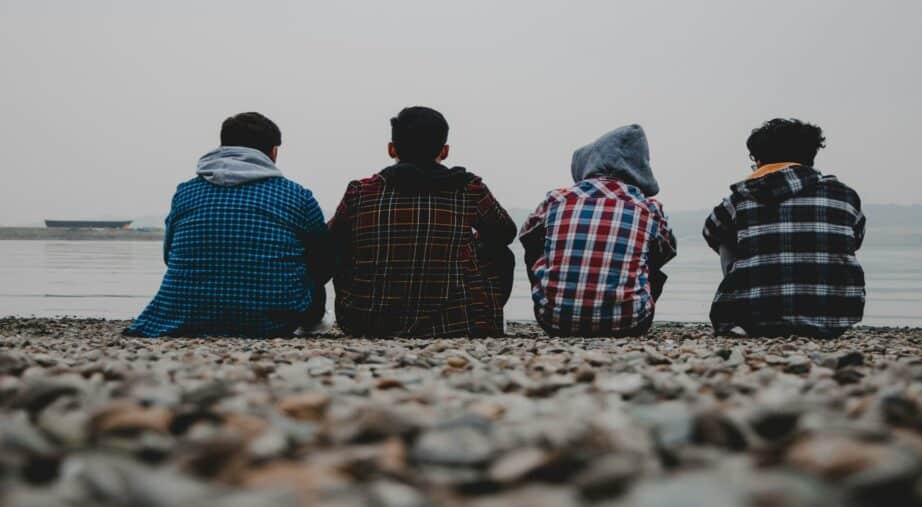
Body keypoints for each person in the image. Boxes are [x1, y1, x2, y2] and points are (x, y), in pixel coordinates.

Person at [125, 112, 332, 337]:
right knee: (316, 275)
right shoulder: (296, 195)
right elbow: (322, 261)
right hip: (272, 321)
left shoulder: (186, 192)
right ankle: (311, 325)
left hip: (186, 315)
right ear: (273, 152)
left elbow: (169, 255)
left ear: (223, 146)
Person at [328, 106, 516, 338]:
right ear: (444, 151)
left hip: (366, 322)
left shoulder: (360, 191)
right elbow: (505, 233)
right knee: (500, 252)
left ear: (391, 149)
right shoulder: (467, 188)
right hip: (456, 322)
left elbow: (329, 244)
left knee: (339, 244)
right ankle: (486, 315)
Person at [703, 118, 866, 338]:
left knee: (727, 236)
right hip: (835, 319)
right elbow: (855, 238)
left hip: (755, 319)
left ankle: (739, 307)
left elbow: (711, 231)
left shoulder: (741, 198)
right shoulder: (845, 195)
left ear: (760, 162)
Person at [520, 124, 676, 336]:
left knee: (537, 241)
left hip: (553, 321)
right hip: (629, 324)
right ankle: (625, 303)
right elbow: (667, 250)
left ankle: (554, 299)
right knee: (651, 251)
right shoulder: (648, 209)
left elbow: (525, 236)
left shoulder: (556, 199)